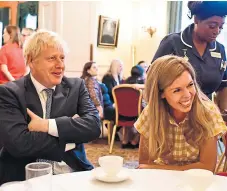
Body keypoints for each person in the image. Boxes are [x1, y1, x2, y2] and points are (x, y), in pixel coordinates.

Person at [0, 30, 101, 184]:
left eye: (62, 58)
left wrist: (48, 125)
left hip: (72, 171)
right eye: (52, 58)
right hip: (24, 176)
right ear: (31, 60)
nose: (60, 65)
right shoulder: (9, 93)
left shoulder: (76, 87)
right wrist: (71, 138)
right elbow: (19, 144)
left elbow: (94, 126)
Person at [135, 55, 227, 172]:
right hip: (162, 178)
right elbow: (144, 163)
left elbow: (207, 167)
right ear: (161, 93)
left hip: (195, 181)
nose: (188, 95)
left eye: (190, 85)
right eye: (177, 90)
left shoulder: (207, 112)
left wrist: (161, 168)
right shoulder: (151, 113)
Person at [151, 1, 227, 101]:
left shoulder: (220, 49)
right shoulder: (172, 43)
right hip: (172, 109)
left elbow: (223, 85)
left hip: (205, 110)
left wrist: (222, 113)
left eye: (220, 27)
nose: (217, 31)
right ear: (196, 19)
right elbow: (153, 80)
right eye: (212, 26)